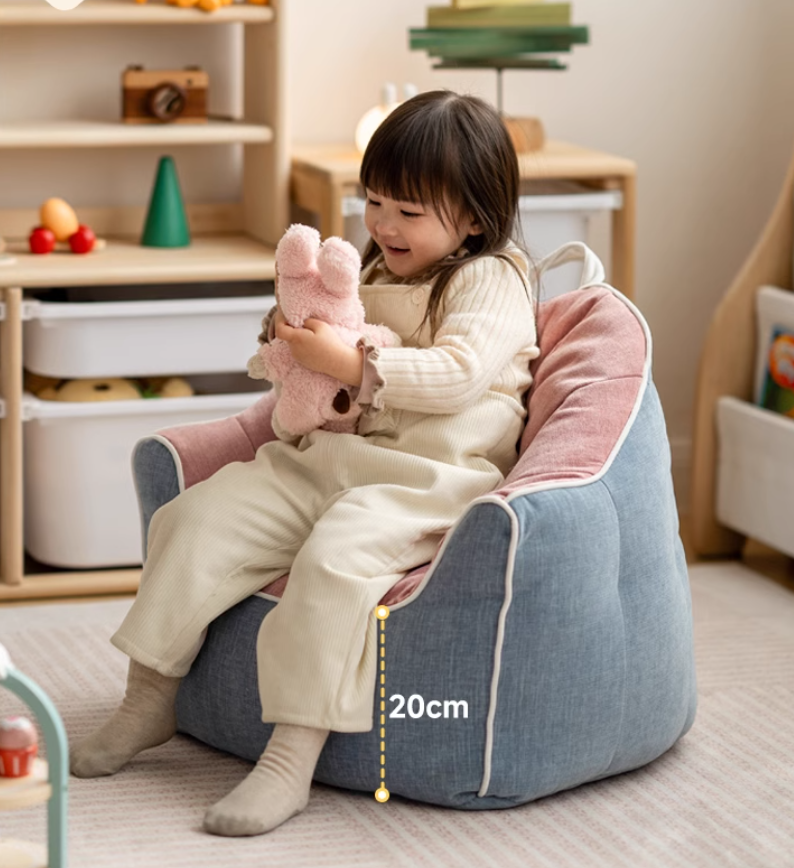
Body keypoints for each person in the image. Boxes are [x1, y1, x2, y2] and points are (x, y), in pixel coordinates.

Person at [69, 89, 540, 837]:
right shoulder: (378, 274)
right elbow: (317, 371)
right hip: (334, 457)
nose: (383, 225)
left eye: (408, 213)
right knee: (196, 517)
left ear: (474, 219)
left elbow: (457, 372)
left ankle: (290, 758)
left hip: (428, 478)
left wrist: (352, 362)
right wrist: (295, 339)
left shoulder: (492, 279)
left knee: (335, 561)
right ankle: (147, 697)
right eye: (374, 202)